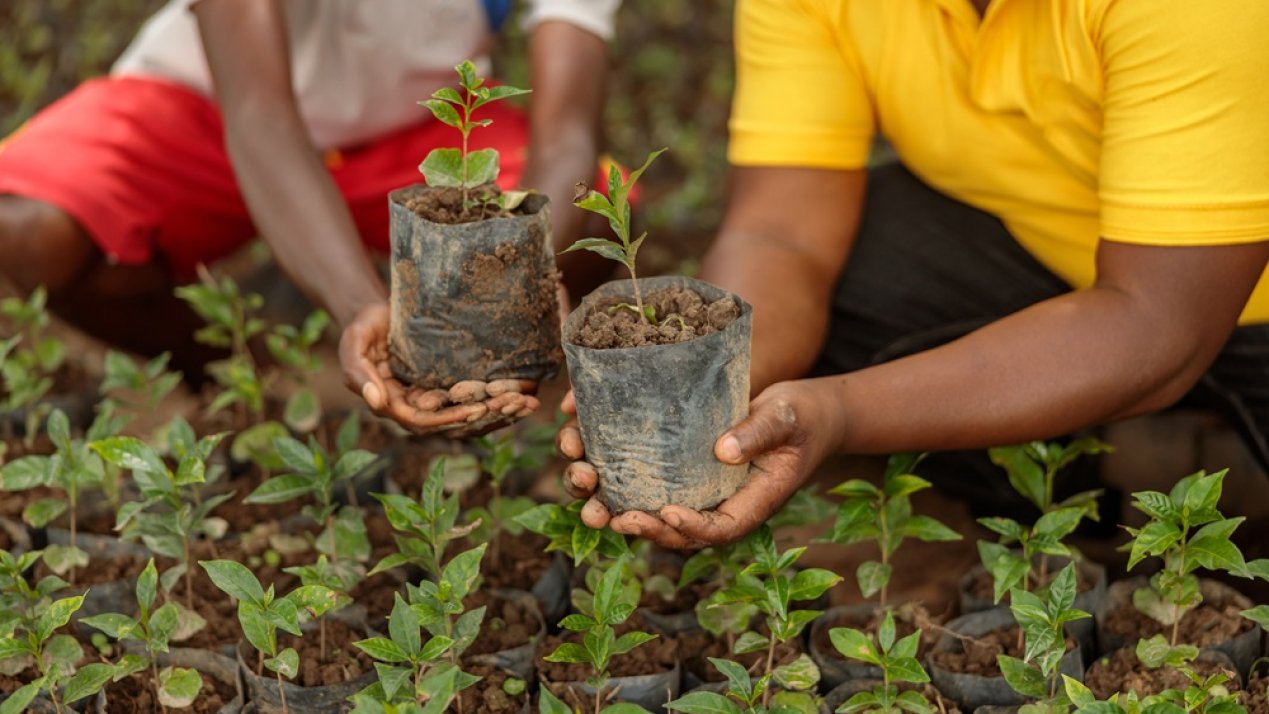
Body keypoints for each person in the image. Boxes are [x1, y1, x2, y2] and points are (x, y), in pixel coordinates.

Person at [562, 0, 1269, 548]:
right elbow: (782, 234)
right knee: (857, 276)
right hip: (1055, 246)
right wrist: (709, 388)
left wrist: (838, 413)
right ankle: (1113, 473)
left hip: (1222, 300)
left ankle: (1194, 451)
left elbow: (1157, 322)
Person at [0, 0, 619, 436]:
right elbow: (260, 116)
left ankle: (495, 380)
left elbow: (565, 136)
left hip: (411, 129)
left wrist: (525, 277)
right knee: (26, 227)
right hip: (211, 111)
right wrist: (361, 305)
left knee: (593, 212)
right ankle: (238, 375)